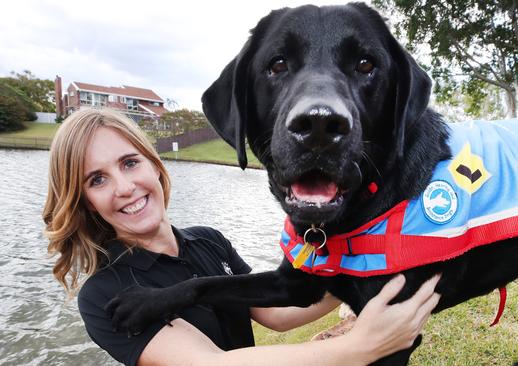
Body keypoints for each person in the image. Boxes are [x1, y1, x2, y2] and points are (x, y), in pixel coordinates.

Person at [44, 109, 441, 366]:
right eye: (97, 180)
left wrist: (364, 269)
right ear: (85, 202)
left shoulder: (207, 241)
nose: (125, 187)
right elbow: (209, 363)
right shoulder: (103, 294)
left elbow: (277, 315)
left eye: (130, 163)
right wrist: (358, 348)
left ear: (154, 163)